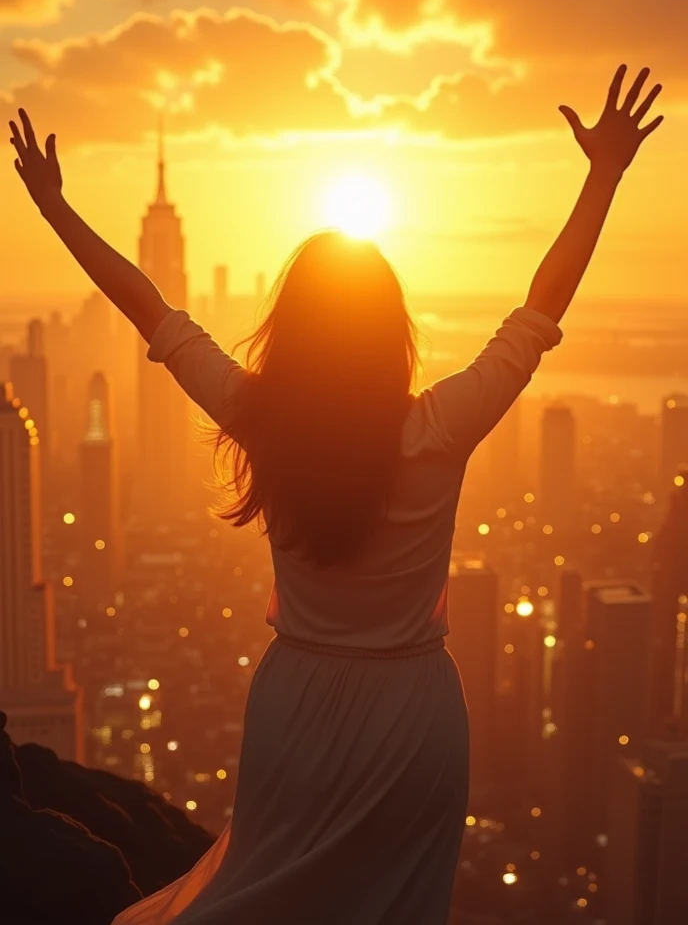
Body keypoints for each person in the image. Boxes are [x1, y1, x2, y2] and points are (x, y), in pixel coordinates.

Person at [9, 65, 662, 925]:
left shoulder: (260, 417)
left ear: (293, 329)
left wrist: (54, 206)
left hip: (298, 709)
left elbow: (151, 311)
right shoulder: (439, 427)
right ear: (392, 329)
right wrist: (604, 173)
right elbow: (540, 309)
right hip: (415, 718)